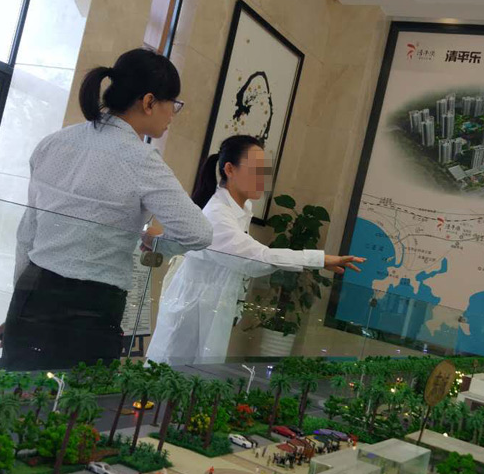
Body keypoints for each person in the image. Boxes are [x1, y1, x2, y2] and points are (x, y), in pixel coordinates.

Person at [0, 49, 213, 371]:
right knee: (79, 400)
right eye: (174, 104)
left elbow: (27, 232)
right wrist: (155, 242)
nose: (172, 114)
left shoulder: (53, 143)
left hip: (33, 293)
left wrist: (18, 306)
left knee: (15, 393)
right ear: (149, 102)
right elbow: (199, 233)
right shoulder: (140, 159)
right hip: (91, 308)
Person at [146, 135, 364, 365]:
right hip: (192, 313)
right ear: (230, 169)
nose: (263, 179)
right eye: (256, 170)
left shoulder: (241, 208)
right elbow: (258, 258)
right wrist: (320, 259)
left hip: (210, 308)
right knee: (171, 376)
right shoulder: (217, 215)